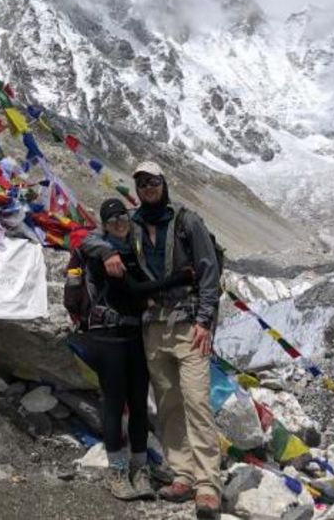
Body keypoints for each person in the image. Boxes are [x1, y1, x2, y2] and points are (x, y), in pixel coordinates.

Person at [80, 162, 223, 520]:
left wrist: (205, 320)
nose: (148, 187)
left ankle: (208, 485)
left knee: (197, 402)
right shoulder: (134, 223)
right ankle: (182, 474)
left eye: (153, 181)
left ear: (164, 183)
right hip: (153, 329)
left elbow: (208, 270)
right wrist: (107, 252)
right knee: (169, 403)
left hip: (189, 325)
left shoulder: (187, 222)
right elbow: (89, 238)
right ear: (137, 187)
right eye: (141, 182)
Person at [68, 198, 192, 501]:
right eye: (112, 220)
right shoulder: (103, 254)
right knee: (114, 403)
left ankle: (140, 468)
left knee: (138, 403)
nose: (120, 223)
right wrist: (180, 278)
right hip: (108, 337)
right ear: (105, 224)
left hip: (135, 335)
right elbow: (134, 290)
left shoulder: (132, 249)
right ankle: (118, 471)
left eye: (124, 216)